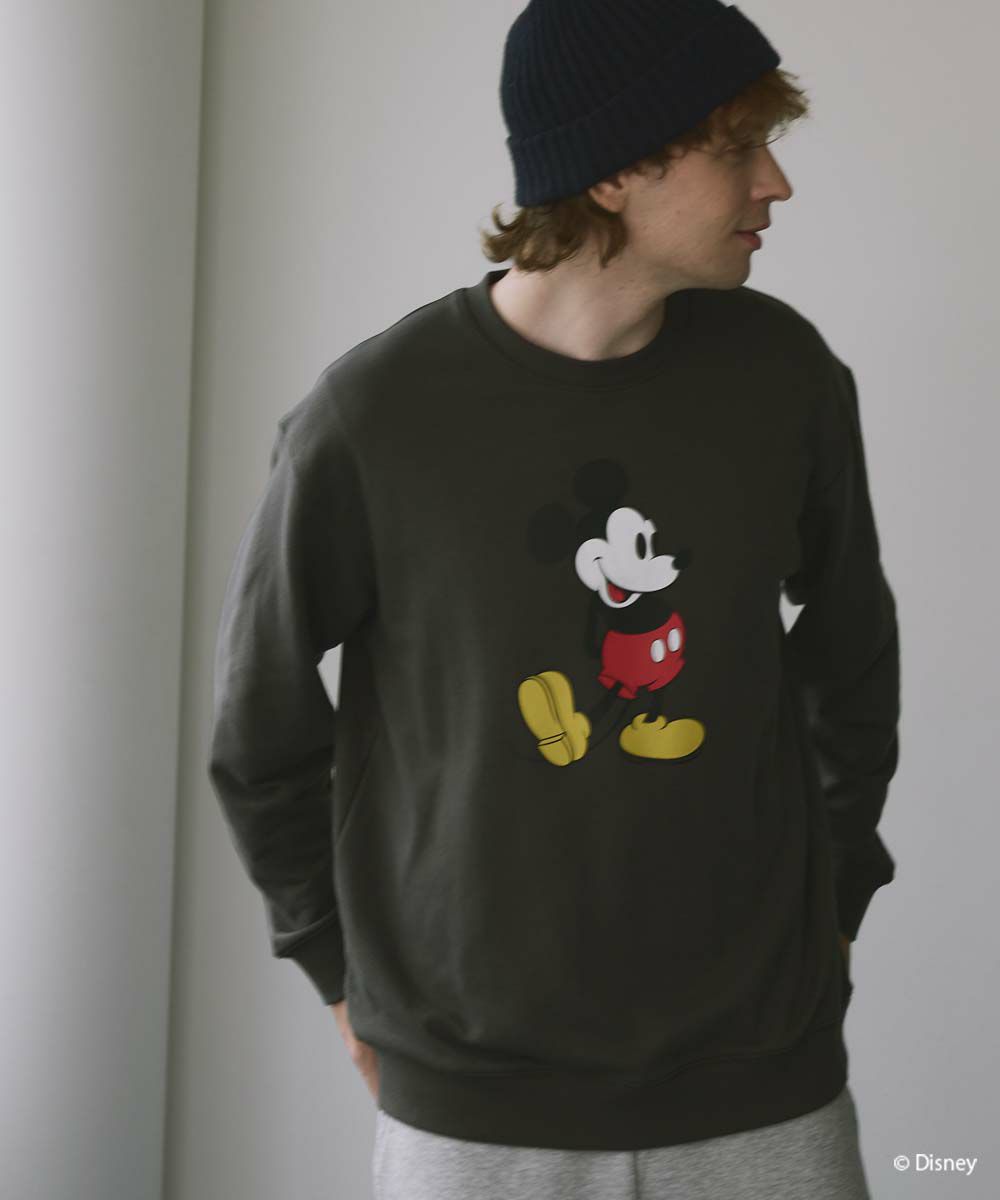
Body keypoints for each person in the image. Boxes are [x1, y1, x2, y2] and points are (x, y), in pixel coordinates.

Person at [207, 1, 901, 1196]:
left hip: (761, 1080)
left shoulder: (784, 379)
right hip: (474, 1100)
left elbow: (850, 660)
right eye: (738, 147)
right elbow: (259, 730)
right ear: (619, 167)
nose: (774, 183)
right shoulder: (374, 418)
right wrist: (332, 969)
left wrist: (836, 904)